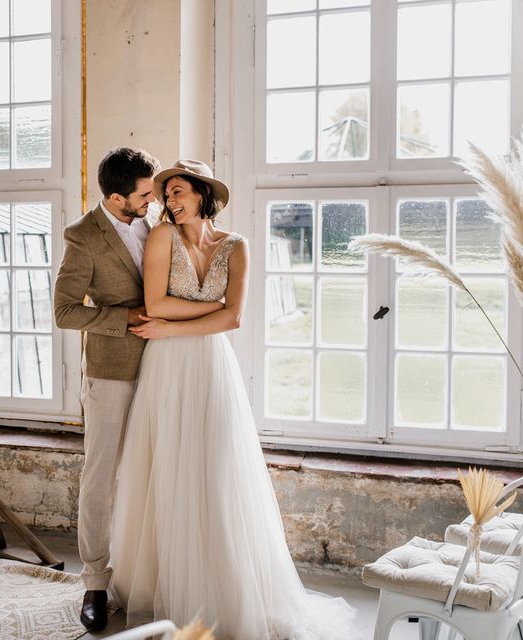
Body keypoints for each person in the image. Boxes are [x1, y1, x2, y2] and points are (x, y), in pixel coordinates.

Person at [108, 159, 359, 638]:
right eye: (165, 195)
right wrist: (205, 312)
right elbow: (157, 305)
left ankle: (225, 588)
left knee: (219, 470)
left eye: (178, 192)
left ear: (203, 194)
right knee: (169, 468)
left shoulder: (237, 246)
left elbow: (235, 319)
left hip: (211, 366)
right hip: (167, 366)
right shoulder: (162, 238)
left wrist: (179, 323)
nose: (169, 202)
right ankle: (166, 586)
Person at [54, 148, 226, 631]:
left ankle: (149, 578)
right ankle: (94, 581)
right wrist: (124, 319)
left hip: (166, 364)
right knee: (101, 475)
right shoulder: (82, 237)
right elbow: (65, 311)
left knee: (156, 473)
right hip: (111, 370)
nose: (156, 201)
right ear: (116, 197)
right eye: (146, 194)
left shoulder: (157, 224)